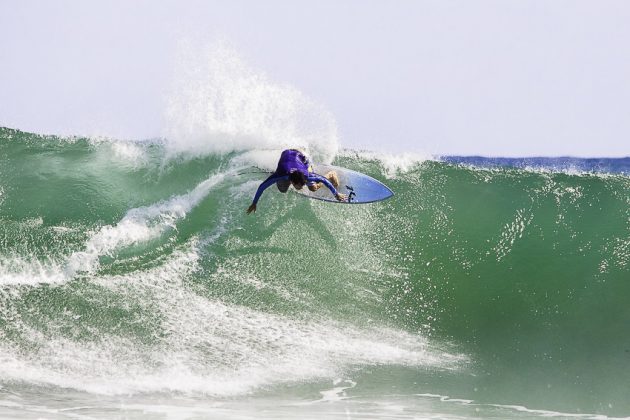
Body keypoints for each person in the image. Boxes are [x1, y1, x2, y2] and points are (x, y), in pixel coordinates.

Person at [247, 149, 347, 214]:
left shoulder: (307, 176)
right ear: (293, 182)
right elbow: (262, 187)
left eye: (302, 184)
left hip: (301, 157)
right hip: (286, 154)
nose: (301, 187)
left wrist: (336, 194)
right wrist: (254, 203)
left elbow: (324, 180)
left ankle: (331, 174)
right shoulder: (281, 175)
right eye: (299, 185)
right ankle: (274, 174)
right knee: (282, 189)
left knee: (313, 188)